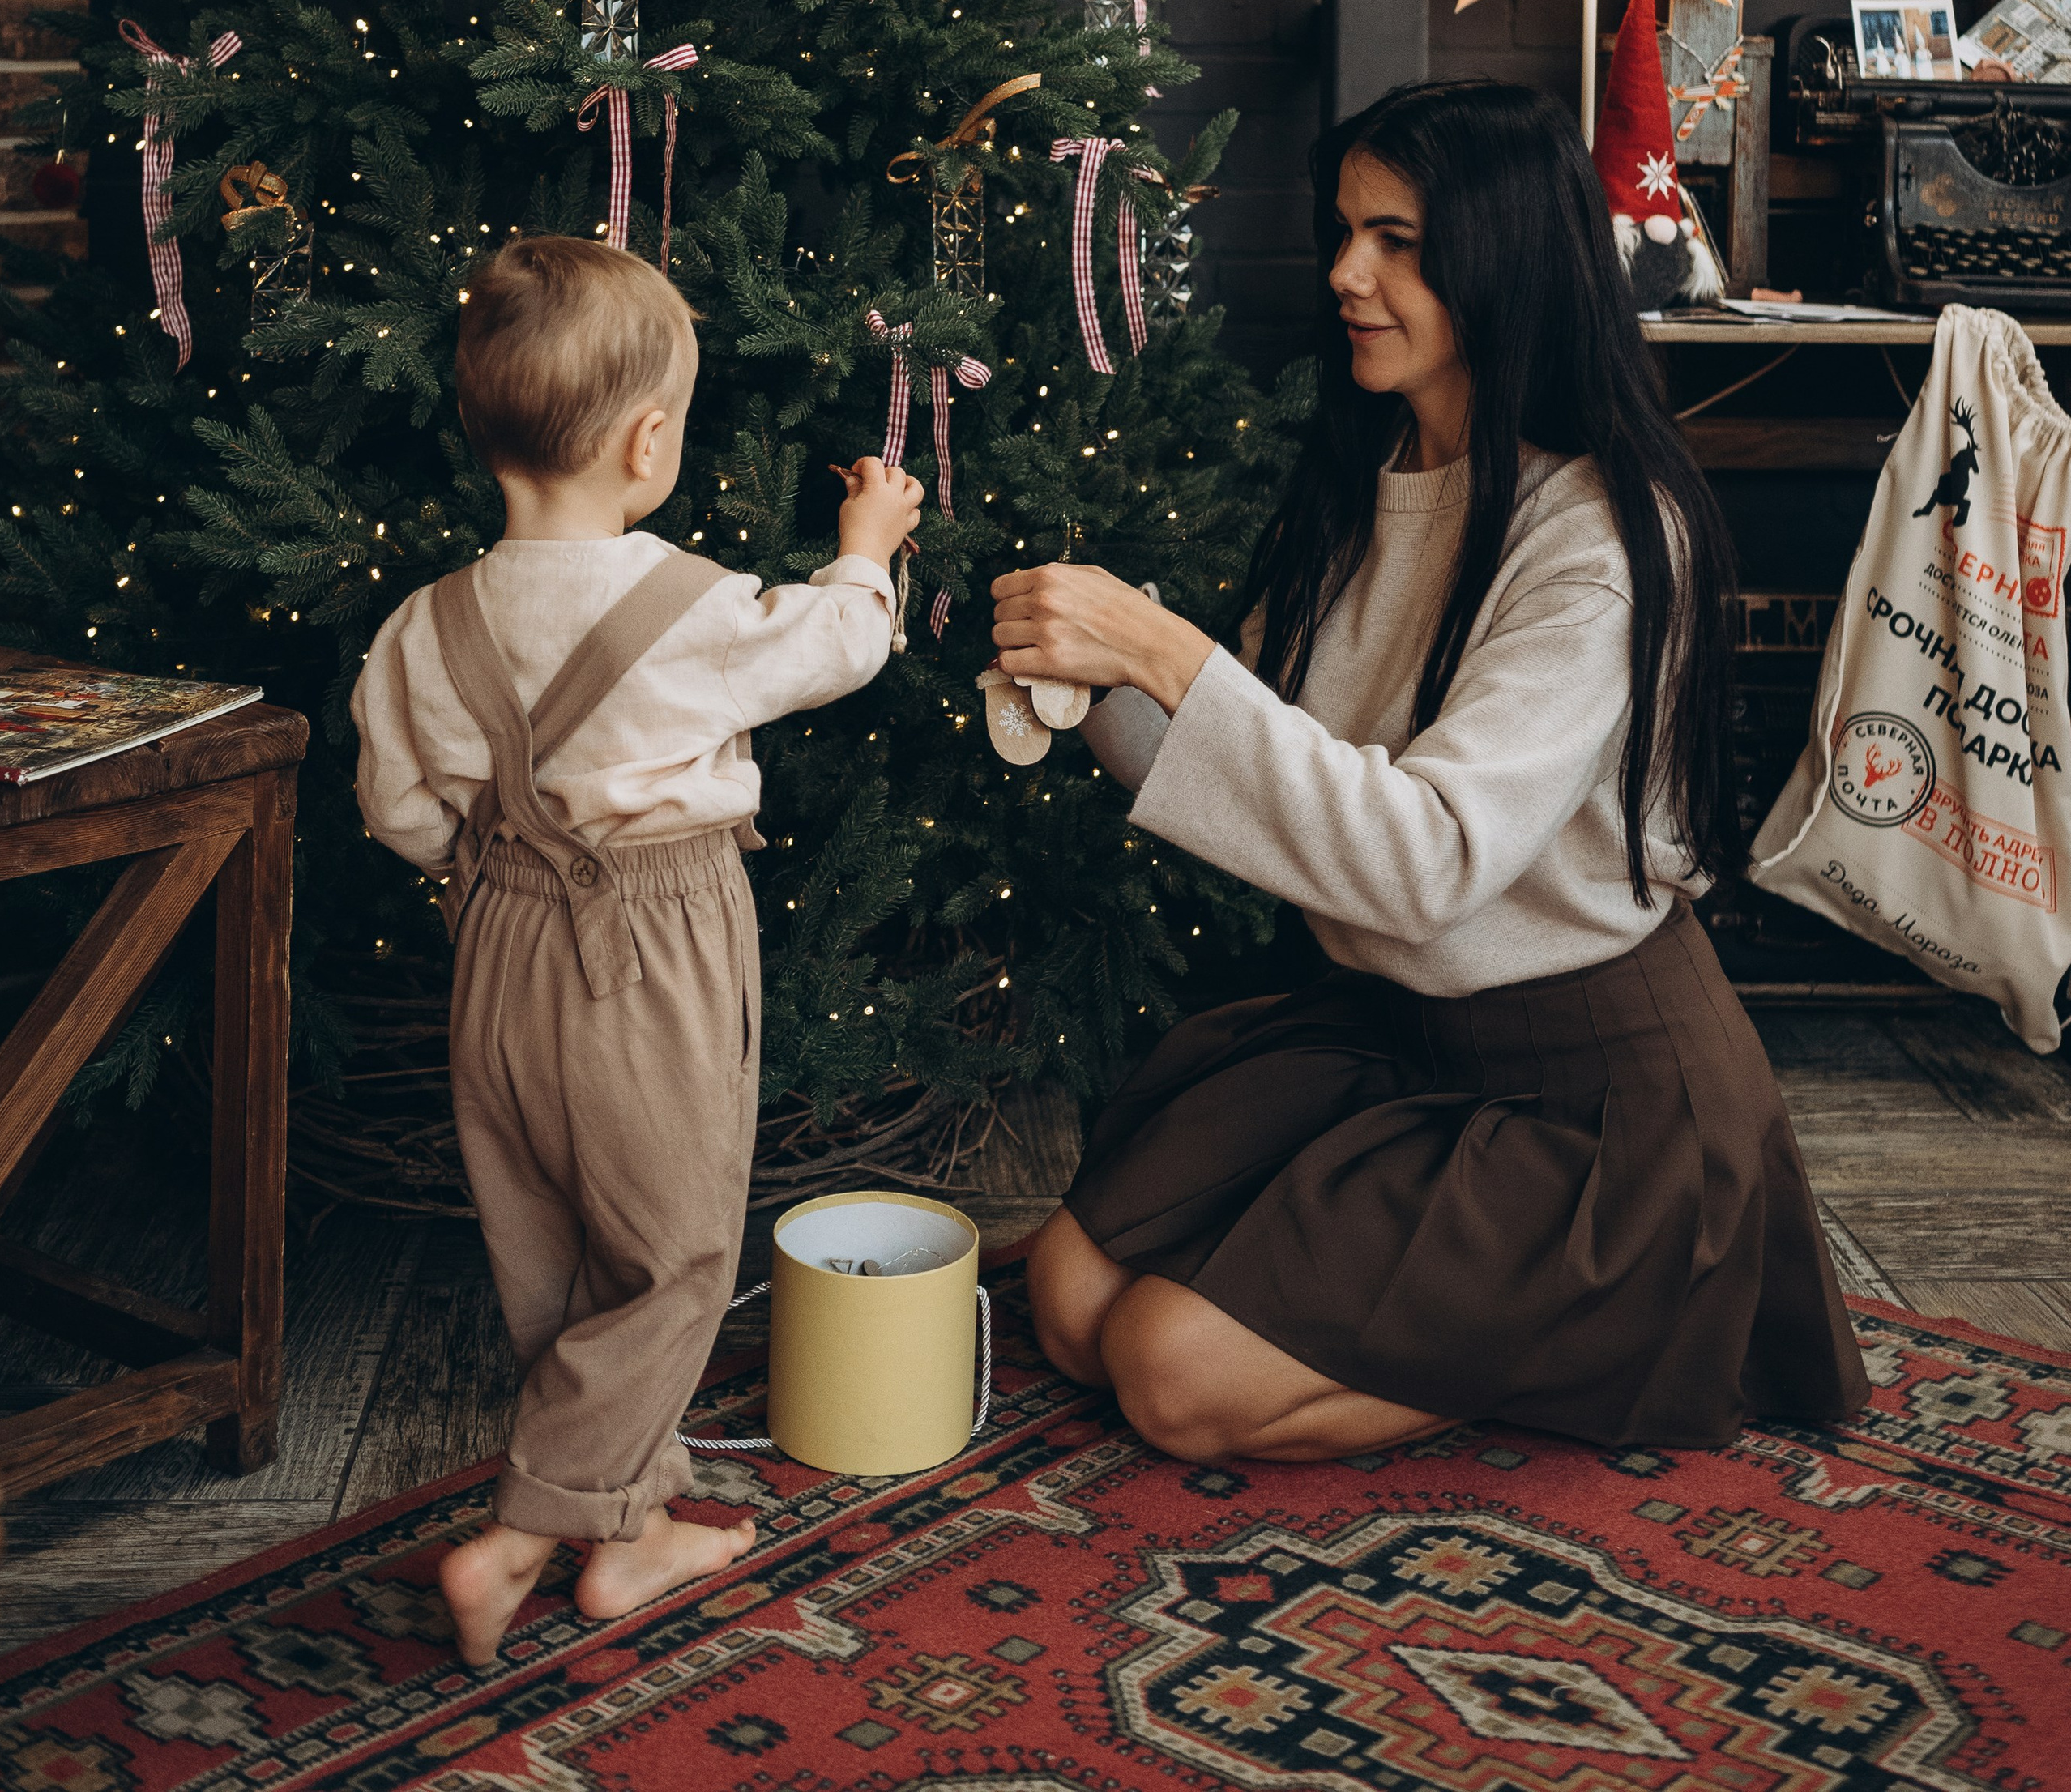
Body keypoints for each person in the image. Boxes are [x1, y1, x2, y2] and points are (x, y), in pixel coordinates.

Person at [993, 81, 1867, 1469]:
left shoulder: (1605, 538)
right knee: (1073, 1299)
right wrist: (1093, 684)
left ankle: (1613, 1324)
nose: (1348, 275)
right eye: (1345, 232)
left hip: (1594, 1102)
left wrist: (1164, 650)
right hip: (1399, 1035)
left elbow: (1421, 860)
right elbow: (1276, 792)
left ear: (1505, 253)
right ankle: (1456, 1311)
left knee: (1166, 1372)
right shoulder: (1375, 476)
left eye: (1396, 240)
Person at [352, 234, 921, 1664]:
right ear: (648, 440)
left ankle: (630, 1532)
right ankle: (521, 1537)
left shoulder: (420, 627)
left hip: (496, 941)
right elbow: (840, 646)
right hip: (651, 948)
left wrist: (490, 875)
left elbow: (396, 807)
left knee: (549, 1249)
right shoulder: (692, 609)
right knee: (671, 1252)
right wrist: (865, 548)